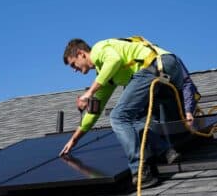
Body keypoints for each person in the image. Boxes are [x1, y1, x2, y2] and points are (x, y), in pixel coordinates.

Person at [59, 37, 199, 187]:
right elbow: (95, 111)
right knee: (133, 118)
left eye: (73, 64)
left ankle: (140, 172)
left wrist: (89, 93)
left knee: (118, 117)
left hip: (156, 64)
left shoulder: (100, 49)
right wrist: (74, 140)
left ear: (81, 54)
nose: (74, 69)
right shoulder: (105, 76)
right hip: (162, 70)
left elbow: (114, 60)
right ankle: (166, 151)